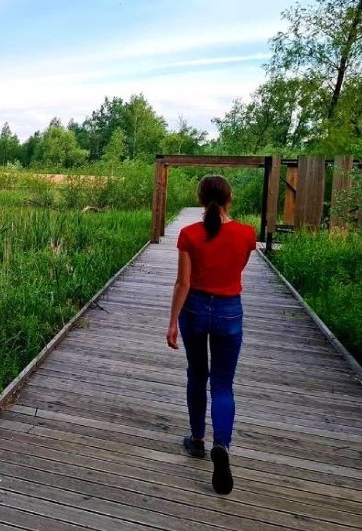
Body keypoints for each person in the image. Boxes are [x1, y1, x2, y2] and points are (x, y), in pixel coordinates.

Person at [166, 175, 256, 495]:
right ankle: (222, 444)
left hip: (194, 310)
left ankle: (197, 440)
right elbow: (238, 269)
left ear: (201, 200)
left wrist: (173, 321)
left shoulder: (188, 234)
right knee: (222, 384)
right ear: (229, 199)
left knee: (197, 374)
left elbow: (183, 284)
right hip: (230, 312)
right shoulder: (246, 234)